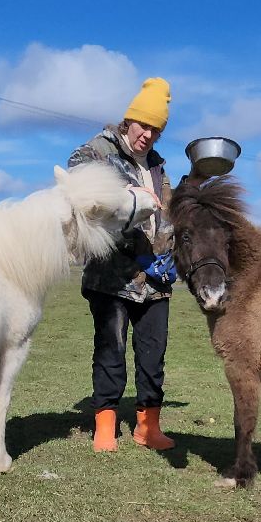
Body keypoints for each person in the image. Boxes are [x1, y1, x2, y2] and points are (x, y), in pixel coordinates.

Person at [69, 77, 177, 453]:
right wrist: (139, 253)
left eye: (155, 129)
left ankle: (148, 426)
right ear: (129, 120)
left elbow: (167, 217)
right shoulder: (99, 150)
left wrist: (170, 256)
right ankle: (106, 424)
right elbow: (76, 175)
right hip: (112, 278)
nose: (147, 134)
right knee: (110, 349)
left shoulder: (160, 168)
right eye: (143, 125)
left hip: (156, 281)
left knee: (153, 354)